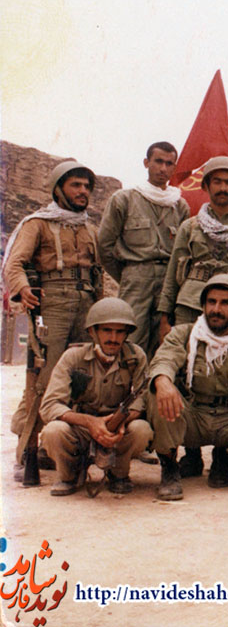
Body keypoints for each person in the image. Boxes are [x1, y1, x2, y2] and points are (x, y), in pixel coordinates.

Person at [3, 160, 103, 479]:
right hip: (52, 303)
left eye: (86, 186)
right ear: (58, 189)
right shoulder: (38, 224)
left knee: (83, 377)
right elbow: (14, 263)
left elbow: (98, 273)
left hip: (87, 303)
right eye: (76, 185)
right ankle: (27, 450)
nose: (83, 191)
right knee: (43, 379)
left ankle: (64, 447)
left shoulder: (90, 229)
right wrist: (22, 289)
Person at [148, 274, 228, 500]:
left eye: (225, 303)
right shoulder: (185, 334)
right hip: (193, 415)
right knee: (157, 391)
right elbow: (165, 358)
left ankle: (226, 457)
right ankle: (169, 467)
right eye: (211, 302)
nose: (216, 309)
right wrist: (163, 380)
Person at [39, 298, 153, 496]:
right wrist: (89, 422)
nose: (113, 338)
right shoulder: (73, 357)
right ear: (93, 332)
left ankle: (118, 474)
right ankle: (70, 475)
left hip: (117, 427)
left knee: (141, 429)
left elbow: (143, 398)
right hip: (80, 427)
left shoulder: (135, 357)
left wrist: (121, 422)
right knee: (53, 431)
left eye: (120, 332)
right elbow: (50, 405)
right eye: (107, 330)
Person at [157, 156, 228, 339]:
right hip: (190, 307)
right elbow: (172, 276)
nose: (223, 188)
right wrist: (164, 318)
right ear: (206, 186)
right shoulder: (190, 227)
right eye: (217, 182)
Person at [98, 141, 190, 356]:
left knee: (165, 342)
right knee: (131, 339)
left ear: (174, 168)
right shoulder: (124, 199)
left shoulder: (179, 206)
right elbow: (104, 246)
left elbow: (183, 251)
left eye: (169, 164)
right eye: (158, 161)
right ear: (146, 163)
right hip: (136, 277)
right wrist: (127, 275)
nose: (163, 168)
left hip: (168, 281)